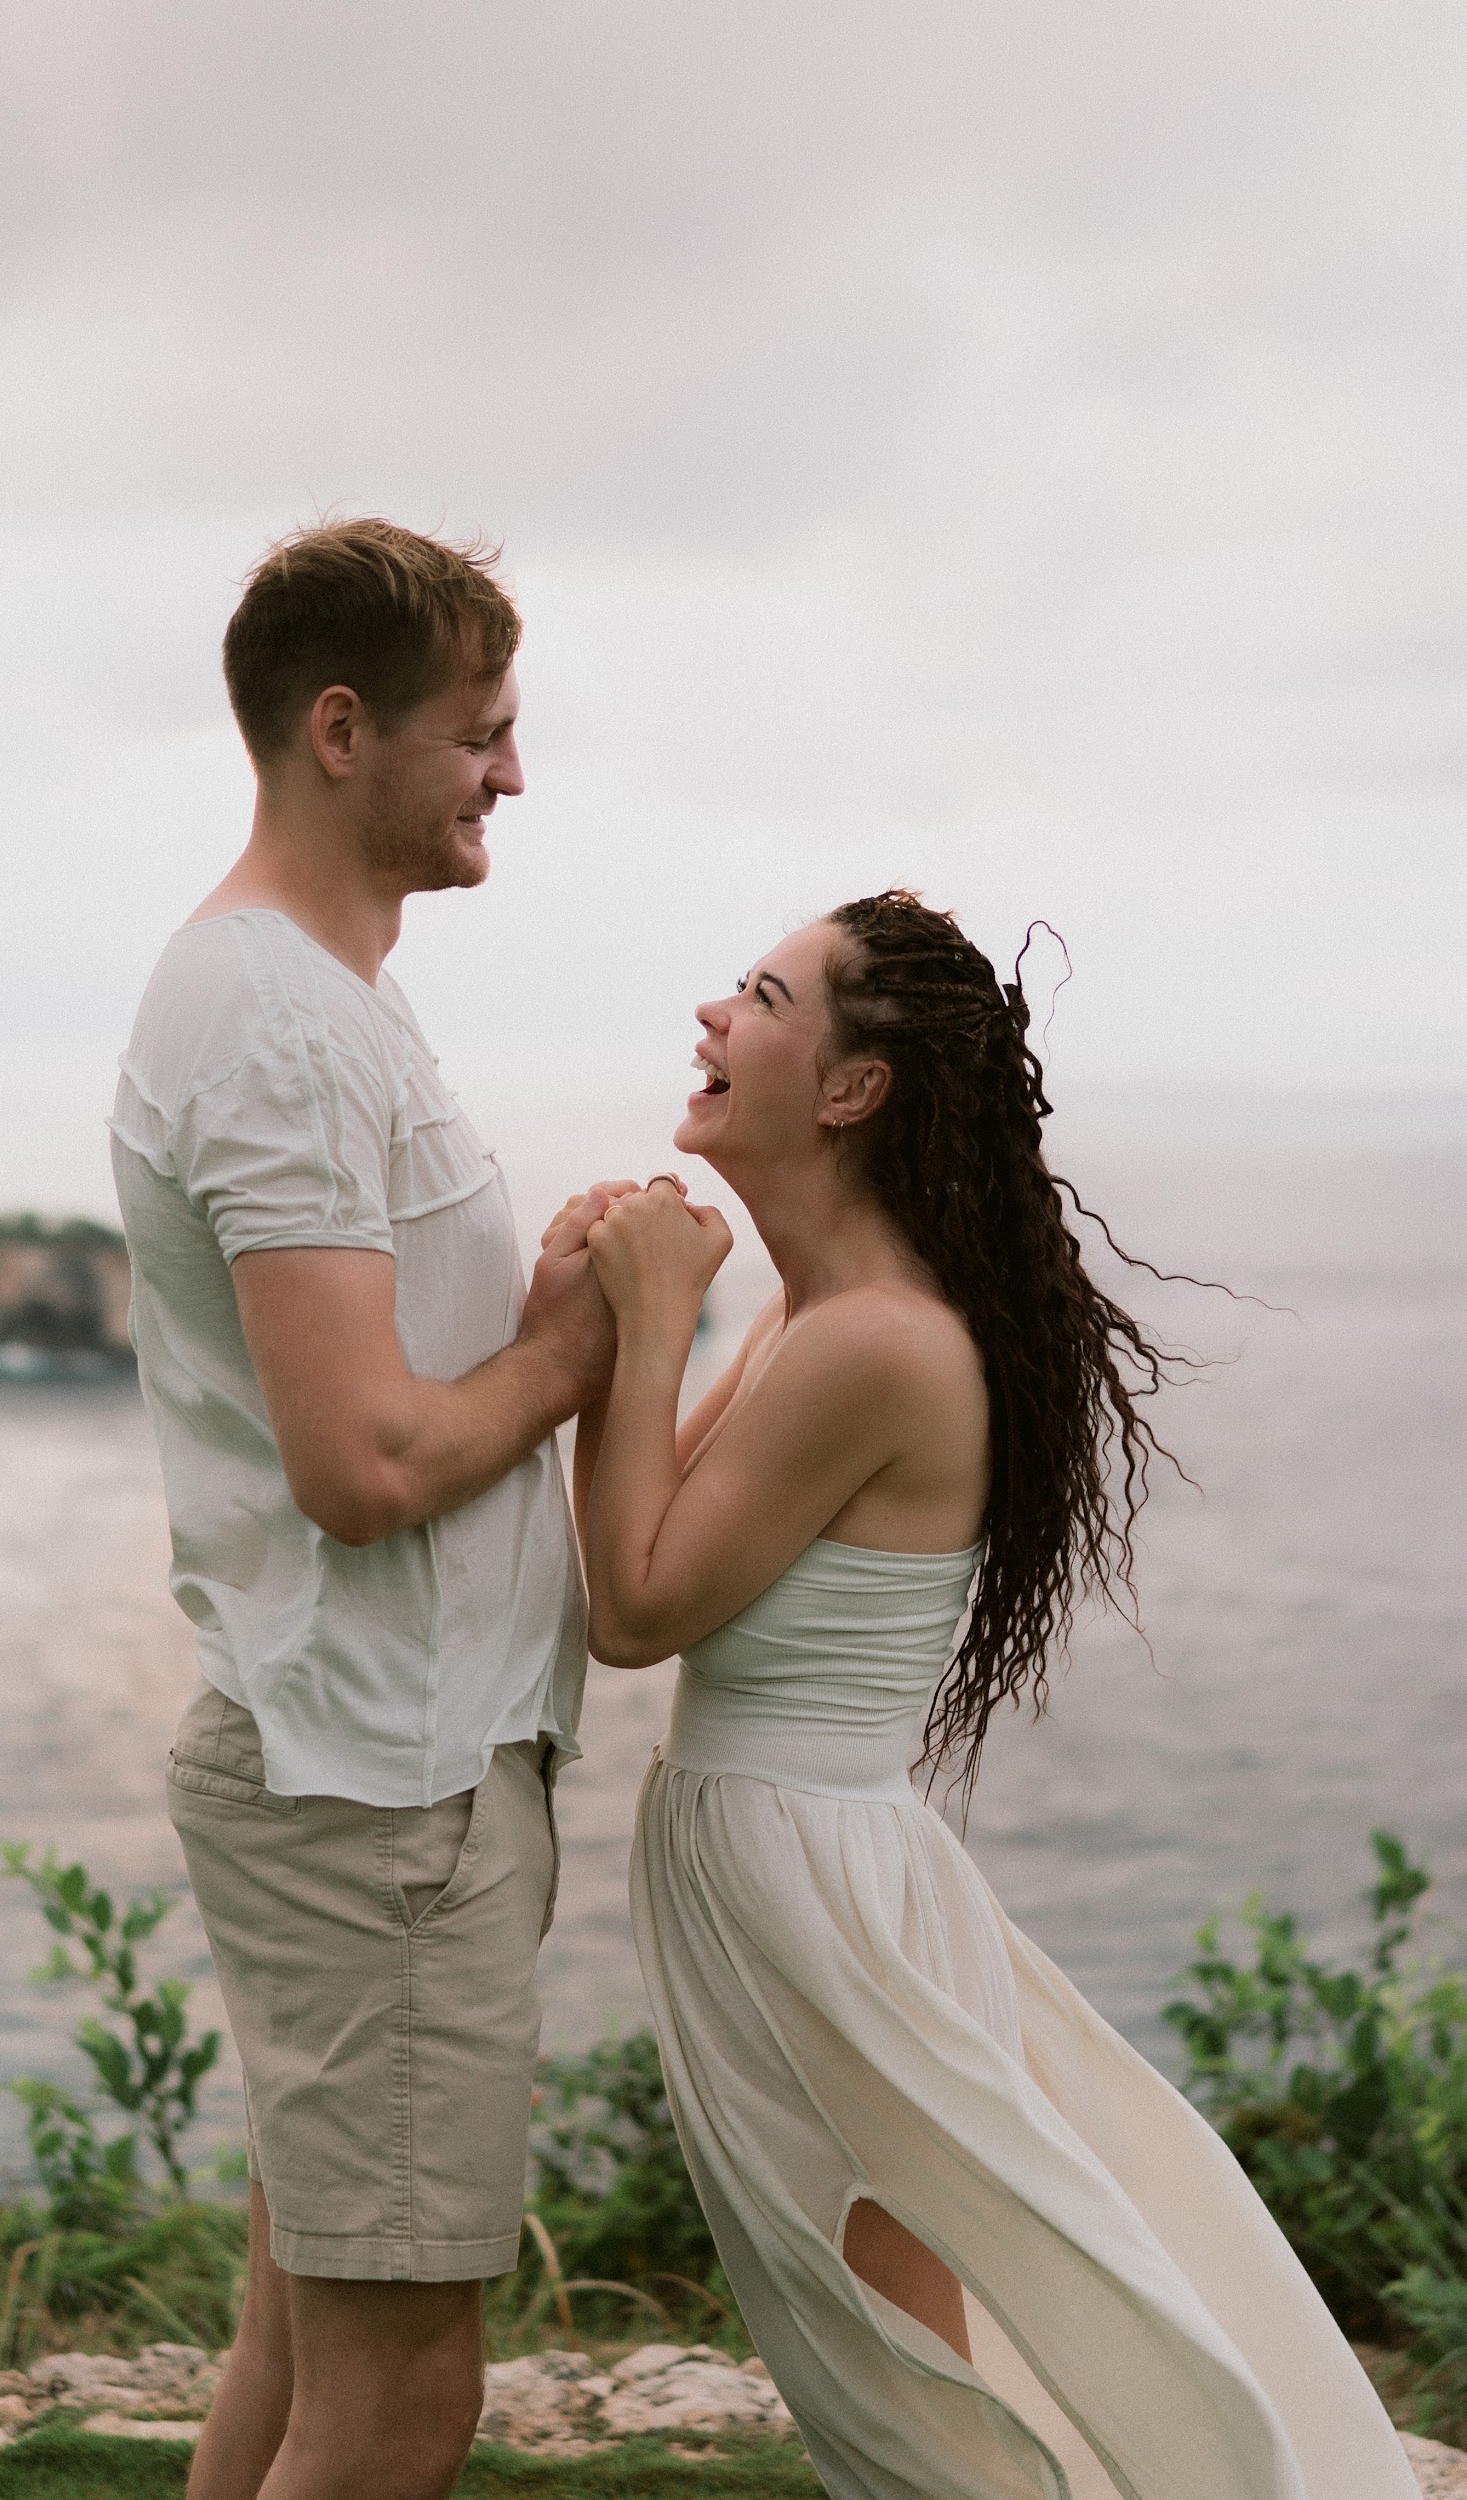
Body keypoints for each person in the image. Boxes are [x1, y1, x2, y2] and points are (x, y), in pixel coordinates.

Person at [563, 891, 1417, 2499]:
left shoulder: (870, 1344)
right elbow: (646, 1546)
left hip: (810, 1874)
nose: (710, 1016)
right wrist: (647, 1332)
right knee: (884, 2328)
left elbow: (632, 1606)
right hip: (797, 1862)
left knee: (897, 2361)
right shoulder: (816, 1320)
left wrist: (649, 1320)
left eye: (758, 993)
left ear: (850, 1087)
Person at [108, 520, 614, 2500]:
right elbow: (364, 1459)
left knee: (303, 2346)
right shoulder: (276, 1022)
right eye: (481, 729)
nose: (511, 770)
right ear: (343, 729)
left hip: (373, 1767)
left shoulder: (312, 995)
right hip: (382, 1792)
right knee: (399, 2398)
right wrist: (579, 1345)